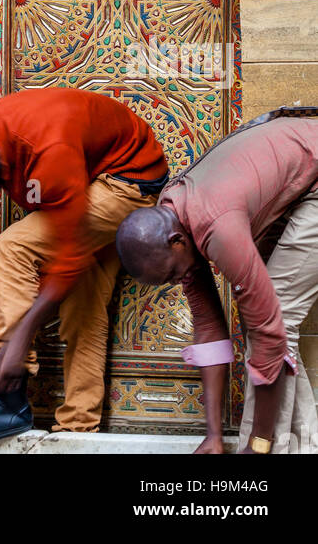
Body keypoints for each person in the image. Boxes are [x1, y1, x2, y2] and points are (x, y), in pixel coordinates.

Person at [0, 87, 168, 447]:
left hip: (126, 184)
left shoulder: (48, 148)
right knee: (83, 307)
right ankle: (78, 429)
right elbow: (67, 243)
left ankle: (7, 400)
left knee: (12, 247)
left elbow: (68, 255)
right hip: (89, 180)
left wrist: (19, 340)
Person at [116, 109, 318, 455]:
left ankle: (266, 449)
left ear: (176, 242)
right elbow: (209, 325)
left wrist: (259, 444)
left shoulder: (215, 227)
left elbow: (270, 335)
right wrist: (212, 436)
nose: (178, 281)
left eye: (171, 275)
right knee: (267, 321)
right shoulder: (173, 218)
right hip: (297, 180)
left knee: (275, 317)